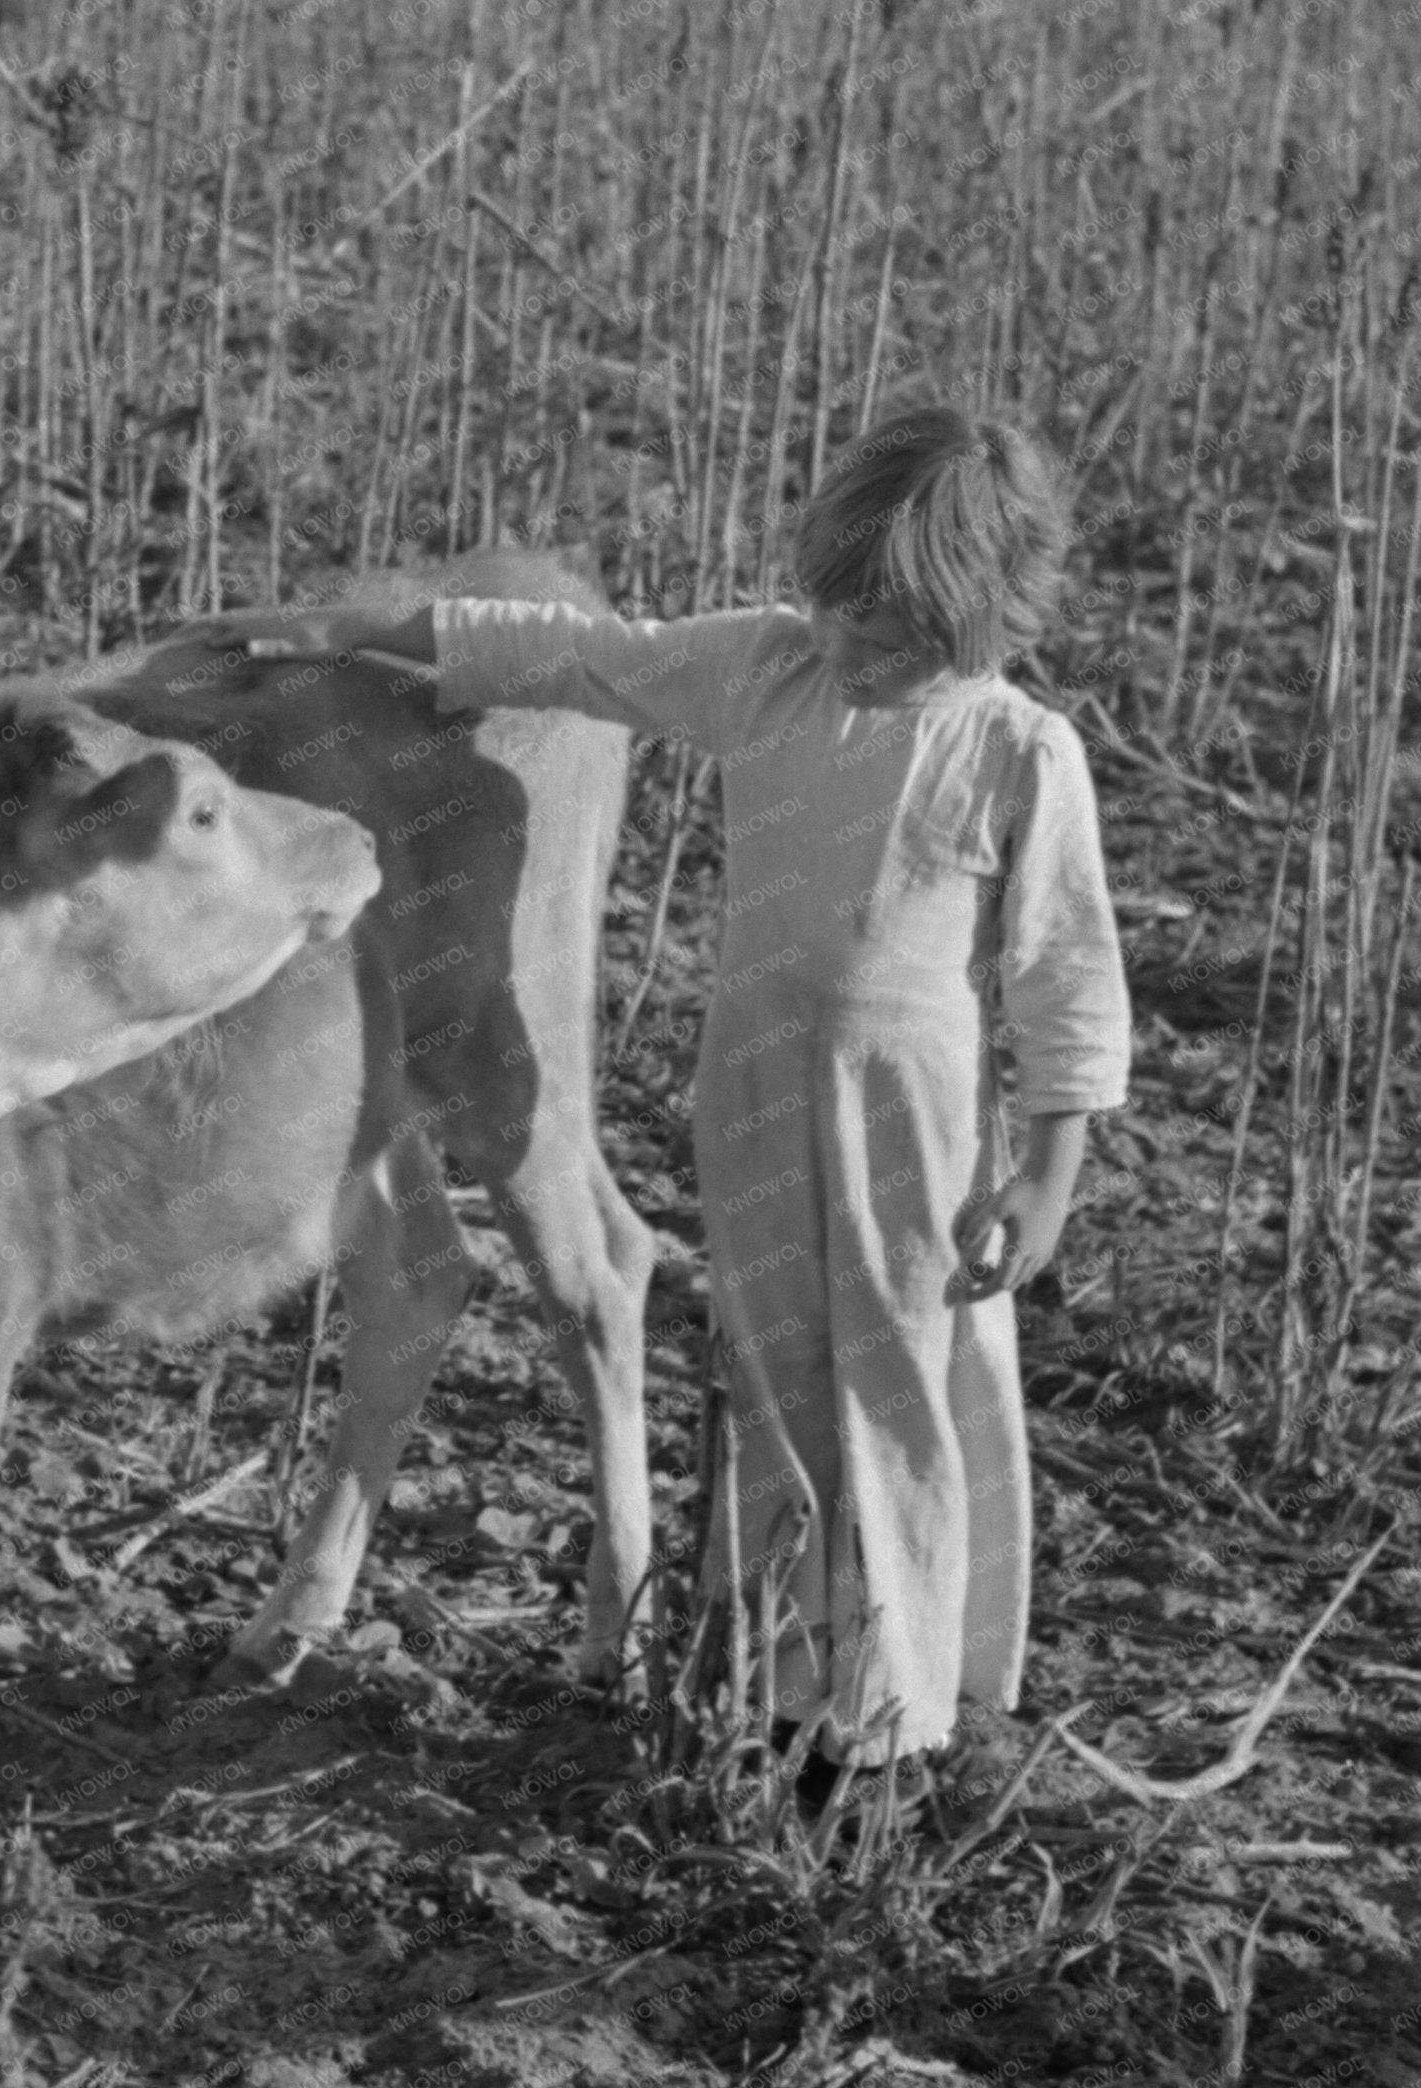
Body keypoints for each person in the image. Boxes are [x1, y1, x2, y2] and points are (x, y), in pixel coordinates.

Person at [195, 407, 1130, 1805]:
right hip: (750, 1077)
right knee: (765, 1361)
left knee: (891, 1370)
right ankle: (767, 1674)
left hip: (911, 1104)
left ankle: (887, 1710)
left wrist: (1046, 1167)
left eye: (892, 633)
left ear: (984, 621)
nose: (853, 652)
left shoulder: (1014, 752)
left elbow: (1064, 968)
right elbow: (572, 657)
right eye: (840, 614)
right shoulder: (764, 668)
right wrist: (351, 632)